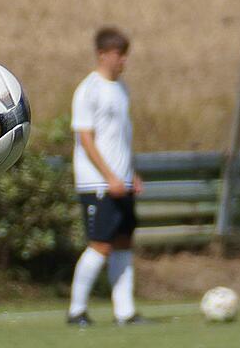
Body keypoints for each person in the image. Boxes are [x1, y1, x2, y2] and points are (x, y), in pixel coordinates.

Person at [67, 27, 146, 327]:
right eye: (119, 54)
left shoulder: (121, 88)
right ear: (103, 54)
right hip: (97, 182)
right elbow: (86, 138)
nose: (124, 60)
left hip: (120, 181)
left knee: (124, 242)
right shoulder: (90, 89)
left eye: (126, 55)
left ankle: (124, 312)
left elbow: (120, 139)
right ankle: (76, 310)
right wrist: (110, 175)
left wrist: (130, 173)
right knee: (100, 245)